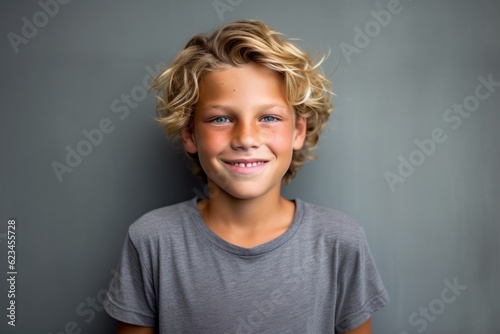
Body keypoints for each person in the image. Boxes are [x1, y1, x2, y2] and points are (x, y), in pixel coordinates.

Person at [103, 20, 389, 334]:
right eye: (221, 118)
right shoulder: (151, 240)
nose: (246, 138)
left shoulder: (340, 241)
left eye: (269, 117)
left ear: (298, 131)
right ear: (189, 135)